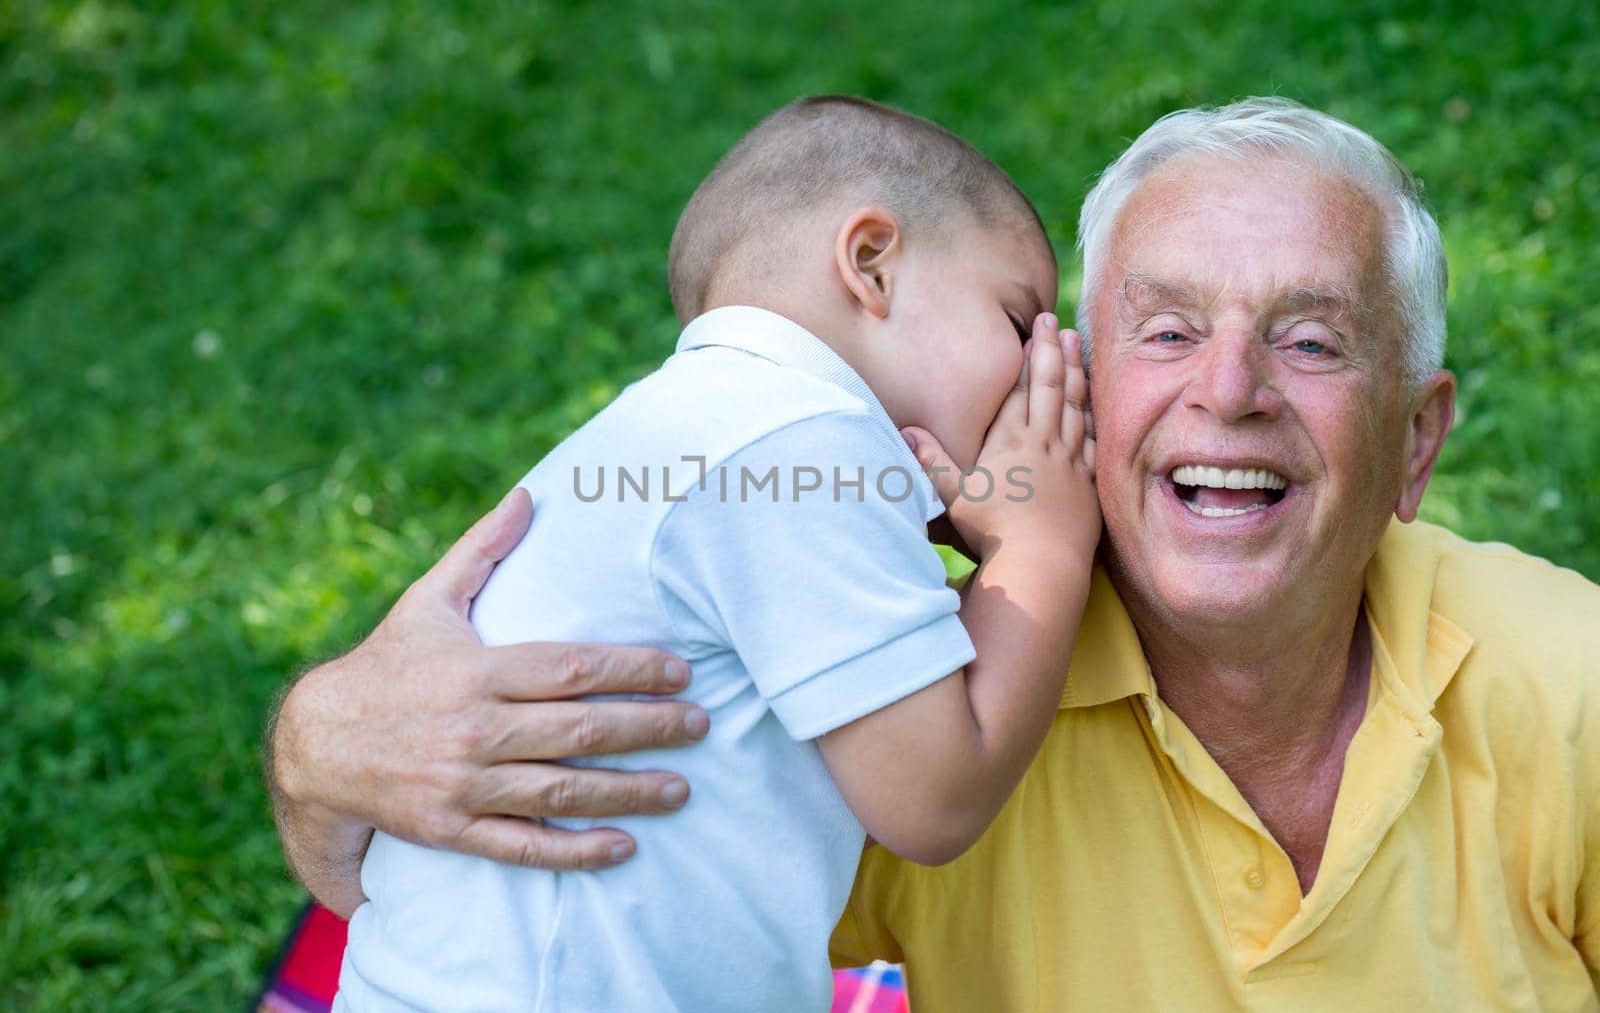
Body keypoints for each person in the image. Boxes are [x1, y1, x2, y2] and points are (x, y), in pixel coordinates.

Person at [269, 97, 1600, 1010]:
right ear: (1086, 385)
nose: (1232, 389)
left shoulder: (1569, 686)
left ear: (1415, 441)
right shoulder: (918, 668)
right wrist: (319, 742)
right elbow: (513, 846)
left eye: (1311, 340)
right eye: (1165, 330)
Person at [327, 95, 1101, 1012]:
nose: (1041, 373)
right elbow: (935, 799)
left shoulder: (701, 429)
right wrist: (1042, 541)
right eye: (1019, 323)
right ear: (871, 265)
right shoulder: (801, 438)